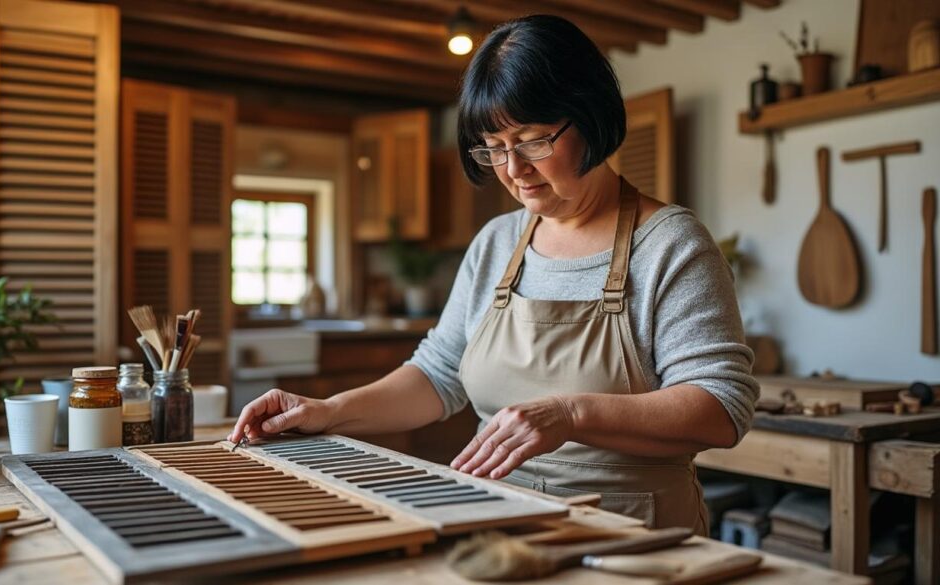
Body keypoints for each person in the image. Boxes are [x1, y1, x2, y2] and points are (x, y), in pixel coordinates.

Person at [230, 14, 758, 534]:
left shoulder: (670, 244)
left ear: (592, 117)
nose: (513, 170)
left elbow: (720, 407)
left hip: (634, 534)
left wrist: (569, 413)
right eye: (495, 148)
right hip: (498, 521)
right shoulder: (497, 244)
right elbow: (438, 375)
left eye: (533, 141)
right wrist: (329, 411)